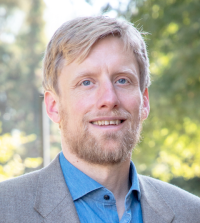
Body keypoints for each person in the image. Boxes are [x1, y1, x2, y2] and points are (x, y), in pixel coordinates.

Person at [0, 16, 200, 223]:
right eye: (86, 82)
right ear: (53, 106)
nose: (109, 99)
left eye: (122, 80)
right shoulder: (4, 209)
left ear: (145, 102)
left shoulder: (193, 214)